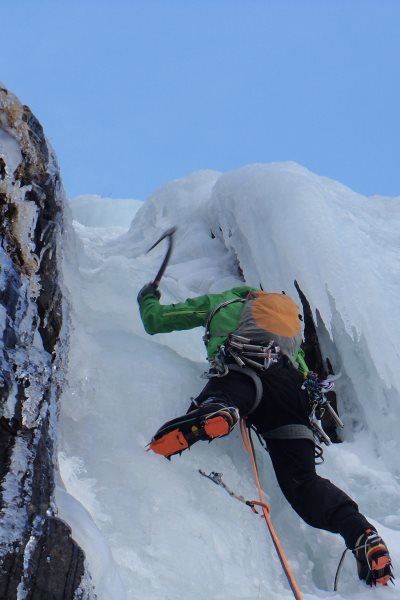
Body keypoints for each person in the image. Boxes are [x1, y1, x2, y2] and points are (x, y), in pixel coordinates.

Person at [137, 282, 393, 587]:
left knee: (227, 393)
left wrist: (147, 297)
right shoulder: (286, 326)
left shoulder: (224, 302)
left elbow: (157, 321)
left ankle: (219, 411)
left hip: (245, 371)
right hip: (292, 394)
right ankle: (360, 533)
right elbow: (298, 366)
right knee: (303, 484)